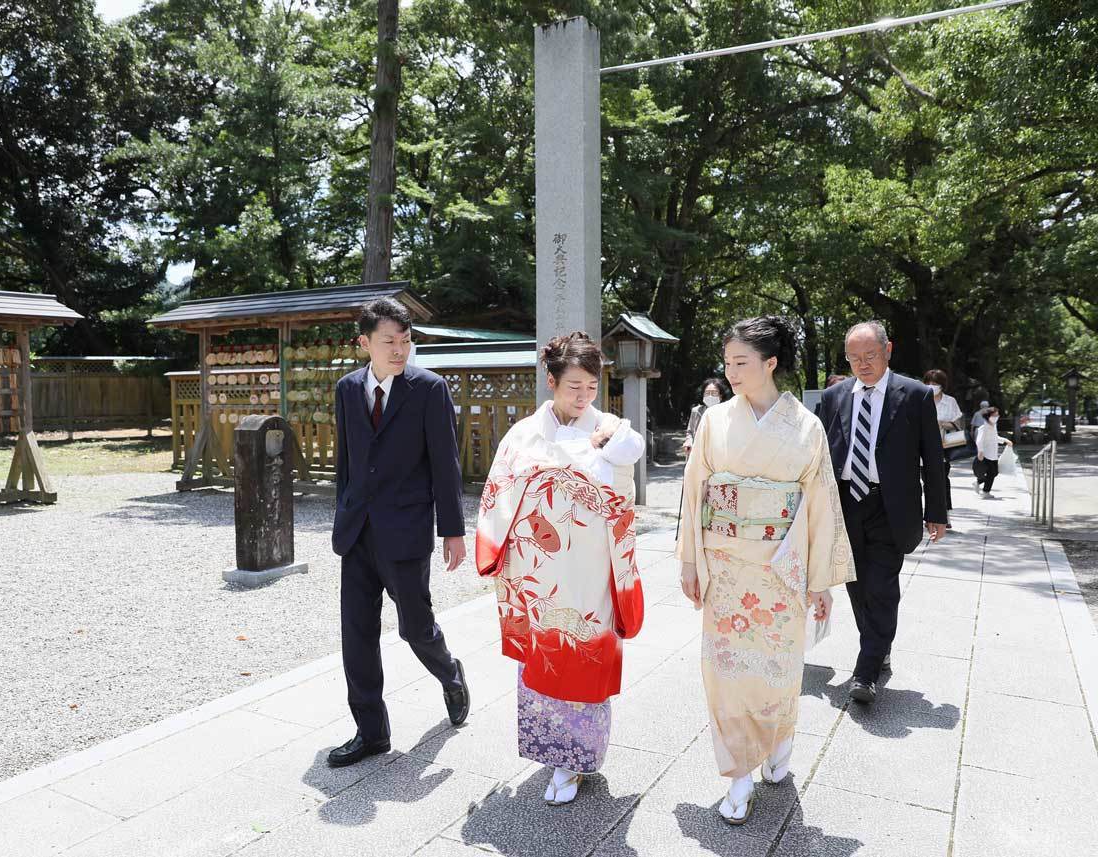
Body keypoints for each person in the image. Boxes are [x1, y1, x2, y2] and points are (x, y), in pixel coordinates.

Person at [677, 316, 854, 826]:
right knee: (725, 670)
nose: (730, 372)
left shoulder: (805, 426)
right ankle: (737, 774)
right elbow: (696, 492)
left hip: (780, 570)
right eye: (728, 362)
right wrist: (690, 559)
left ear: (770, 363)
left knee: (777, 668)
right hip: (727, 569)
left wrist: (820, 580)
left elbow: (820, 503)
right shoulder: (714, 421)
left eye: (741, 362)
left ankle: (778, 738)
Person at [476, 331, 646, 806]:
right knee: (545, 656)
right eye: (573, 385)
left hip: (590, 569)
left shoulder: (611, 430)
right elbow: (499, 490)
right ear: (550, 381)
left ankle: (576, 760)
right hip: (538, 573)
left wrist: (601, 462)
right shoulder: (525, 434)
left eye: (591, 386)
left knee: (583, 651)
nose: (583, 396)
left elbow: (623, 500)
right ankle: (554, 755)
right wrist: (493, 548)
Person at [328, 298, 470, 767]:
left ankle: (450, 673)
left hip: (406, 529)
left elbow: (446, 464)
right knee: (357, 634)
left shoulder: (429, 389)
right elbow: (346, 463)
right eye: (389, 341)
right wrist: (343, 513)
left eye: (406, 340)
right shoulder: (348, 389)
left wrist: (452, 530)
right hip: (358, 532)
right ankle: (371, 732)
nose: (399, 349)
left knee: (415, 626)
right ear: (364, 342)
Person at [819, 321, 947, 707]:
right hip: (845, 503)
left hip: (890, 506)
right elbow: (819, 456)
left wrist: (937, 511)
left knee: (882, 587)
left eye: (870, 355)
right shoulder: (834, 397)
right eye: (854, 358)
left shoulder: (915, 395)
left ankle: (866, 671)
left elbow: (933, 459)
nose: (863, 364)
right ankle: (878, 646)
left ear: (887, 350)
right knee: (855, 584)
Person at [923, 369, 963, 529]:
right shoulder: (920, 398)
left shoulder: (950, 401)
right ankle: (929, 515)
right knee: (926, 482)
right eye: (930, 383)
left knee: (942, 482)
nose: (932, 386)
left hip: (943, 447)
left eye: (936, 384)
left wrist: (941, 423)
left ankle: (945, 515)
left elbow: (958, 424)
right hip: (922, 448)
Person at [684, 377, 732, 456]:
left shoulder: (728, 412)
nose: (710, 396)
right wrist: (688, 441)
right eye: (707, 393)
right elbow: (690, 432)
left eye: (714, 393)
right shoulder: (696, 411)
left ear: (721, 395)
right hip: (698, 454)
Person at [974, 406, 1002, 496]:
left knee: (995, 472)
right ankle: (986, 491)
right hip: (986, 454)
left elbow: (995, 438)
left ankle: (978, 482)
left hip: (993, 453)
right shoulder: (983, 427)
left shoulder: (994, 426)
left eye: (997, 415)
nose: (996, 417)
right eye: (994, 415)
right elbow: (979, 440)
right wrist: (980, 451)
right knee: (992, 472)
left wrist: (1005, 441)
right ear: (988, 416)